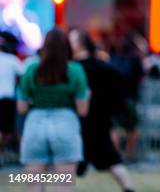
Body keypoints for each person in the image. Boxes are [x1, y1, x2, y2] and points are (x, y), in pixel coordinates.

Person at [17, 28, 89, 192]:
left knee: (34, 184)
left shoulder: (31, 69)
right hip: (66, 124)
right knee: (63, 185)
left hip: (35, 124)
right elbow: (82, 110)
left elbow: (21, 108)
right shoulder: (76, 71)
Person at [68, 29, 135, 192]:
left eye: (71, 40)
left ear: (79, 44)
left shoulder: (73, 69)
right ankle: (128, 189)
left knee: (65, 164)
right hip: (97, 122)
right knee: (111, 162)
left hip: (82, 123)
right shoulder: (103, 66)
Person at [110, 34, 146, 161]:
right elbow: (141, 77)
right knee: (131, 128)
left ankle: (115, 156)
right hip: (130, 98)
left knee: (114, 128)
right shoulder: (135, 60)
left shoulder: (113, 60)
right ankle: (130, 155)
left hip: (114, 99)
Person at [0, 31, 23, 154]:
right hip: (6, 98)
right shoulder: (12, 59)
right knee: (5, 130)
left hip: (6, 99)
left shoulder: (11, 59)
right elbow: (23, 76)